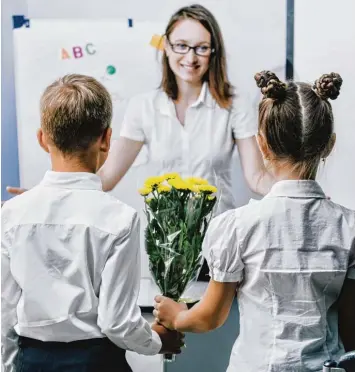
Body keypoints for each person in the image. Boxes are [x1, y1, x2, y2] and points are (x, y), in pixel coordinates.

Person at [152, 71, 355, 371]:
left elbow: (210, 316)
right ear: (328, 145)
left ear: (262, 145)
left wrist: (177, 316)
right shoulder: (348, 228)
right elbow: (350, 322)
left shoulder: (238, 225)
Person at [1, 74, 184, 372]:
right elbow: (117, 322)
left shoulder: (11, 215)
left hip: (30, 361)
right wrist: (157, 341)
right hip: (97, 363)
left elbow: (4, 312)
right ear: (107, 139)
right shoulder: (120, 219)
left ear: (42, 139)